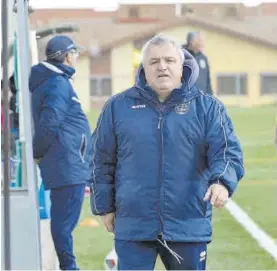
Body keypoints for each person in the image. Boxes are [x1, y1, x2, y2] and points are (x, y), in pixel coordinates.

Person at [90, 34, 244, 270]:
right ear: (144, 68)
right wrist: (105, 206)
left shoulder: (208, 107)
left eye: (169, 60)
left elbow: (227, 151)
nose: (162, 66)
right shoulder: (117, 107)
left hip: (188, 225)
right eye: (154, 62)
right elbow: (101, 159)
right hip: (134, 226)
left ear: (181, 66)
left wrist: (222, 182)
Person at [29, 35, 92, 270]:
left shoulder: (55, 81)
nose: (75, 58)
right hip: (68, 164)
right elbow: (49, 123)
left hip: (69, 163)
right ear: (66, 56)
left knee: (63, 224)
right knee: (63, 225)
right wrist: (37, 152)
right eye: (74, 53)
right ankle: (69, 267)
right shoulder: (58, 83)